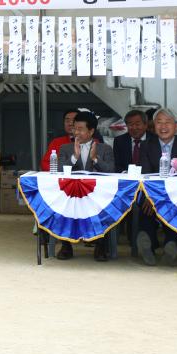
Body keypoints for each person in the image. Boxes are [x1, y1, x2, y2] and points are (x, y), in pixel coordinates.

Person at [138, 108, 177, 266]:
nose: (163, 126)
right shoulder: (146, 145)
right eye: (159, 122)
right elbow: (146, 174)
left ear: (176, 126)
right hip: (152, 191)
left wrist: (166, 197)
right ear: (153, 126)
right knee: (145, 202)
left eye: (167, 122)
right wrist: (152, 197)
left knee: (173, 206)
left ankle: (172, 245)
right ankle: (147, 244)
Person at [56, 111, 115, 262]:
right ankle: (66, 245)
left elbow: (111, 171)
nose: (76, 132)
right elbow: (59, 170)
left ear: (91, 131)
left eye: (80, 129)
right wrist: (74, 157)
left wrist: (95, 159)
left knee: (104, 205)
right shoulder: (65, 148)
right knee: (63, 204)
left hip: (96, 194)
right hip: (72, 194)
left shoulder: (104, 149)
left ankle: (101, 245)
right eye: (75, 128)